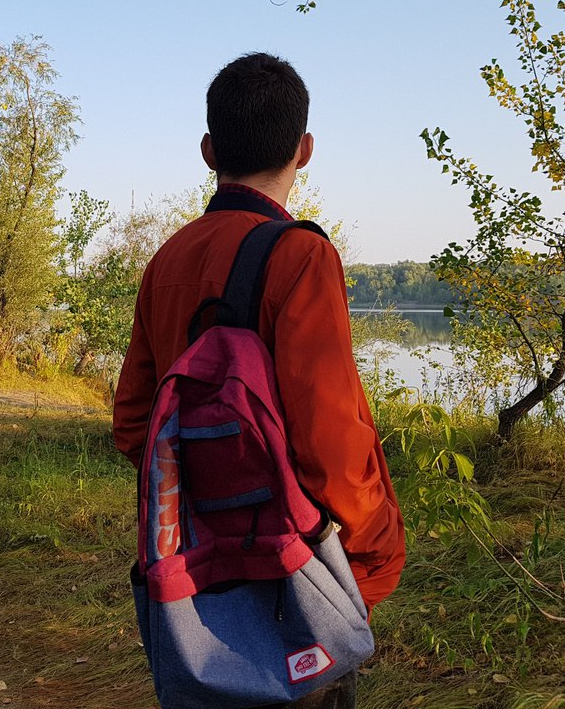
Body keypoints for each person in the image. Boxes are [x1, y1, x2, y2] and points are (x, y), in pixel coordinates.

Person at [114, 52, 407, 708]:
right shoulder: (301, 255)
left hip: (194, 570)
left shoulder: (167, 260)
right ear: (304, 151)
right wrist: (372, 553)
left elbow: (135, 424)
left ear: (209, 149)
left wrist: (204, 500)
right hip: (290, 565)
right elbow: (329, 438)